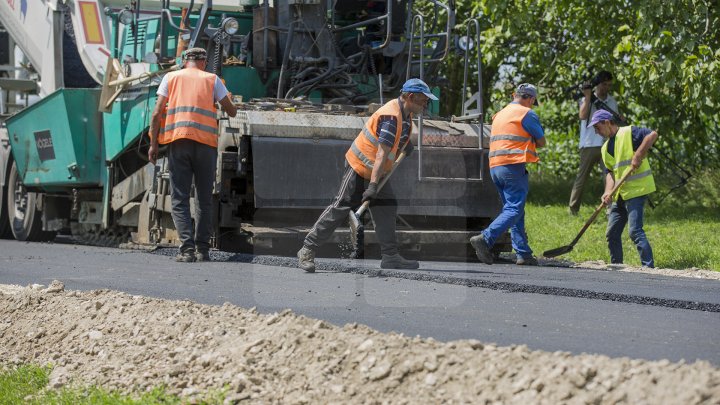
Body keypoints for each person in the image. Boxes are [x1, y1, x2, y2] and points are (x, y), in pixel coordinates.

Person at [296, 78, 438, 272]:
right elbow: (380, 154)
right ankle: (307, 249)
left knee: (387, 207)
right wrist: (372, 187)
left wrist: (404, 144)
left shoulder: (405, 115)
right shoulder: (391, 117)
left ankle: (390, 256)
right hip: (360, 167)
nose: (426, 104)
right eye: (423, 100)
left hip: (377, 172)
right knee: (340, 207)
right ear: (411, 97)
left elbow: (390, 147)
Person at [148, 47, 238, 262]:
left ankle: (187, 250)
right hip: (205, 146)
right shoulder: (212, 79)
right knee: (204, 198)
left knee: (179, 198)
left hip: (178, 143)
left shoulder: (170, 78)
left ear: (183, 61)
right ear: (204, 62)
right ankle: (203, 250)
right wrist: (224, 100)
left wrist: (153, 144)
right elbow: (232, 111)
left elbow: (156, 112)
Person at [469, 83, 546, 266]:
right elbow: (542, 141)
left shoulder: (499, 114)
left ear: (514, 95)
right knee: (514, 209)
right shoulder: (526, 114)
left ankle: (523, 253)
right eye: (533, 101)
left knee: (513, 210)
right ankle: (485, 238)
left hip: (495, 167)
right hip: (512, 166)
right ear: (531, 99)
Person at [588, 109, 657, 268]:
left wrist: (638, 155)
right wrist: (607, 192)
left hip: (636, 191)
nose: (596, 132)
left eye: (597, 128)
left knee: (635, 231)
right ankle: (616, 266)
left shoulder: (629, 132)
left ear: (607, 122)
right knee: (612, 233)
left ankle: (648, 267)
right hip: (619, 194)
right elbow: (610, 173)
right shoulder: (605, 148)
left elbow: (652, 135)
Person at [569, 70, 625, 215]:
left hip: (606, 143)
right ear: (598, 84)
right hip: (589, 143)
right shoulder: (588, 98)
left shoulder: (611, 101)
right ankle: (573, 209)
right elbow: (582, 115)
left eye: (609, 85)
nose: (606, 88)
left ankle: (609, 208)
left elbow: (613, 122)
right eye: (604, 84)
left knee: (609, 175)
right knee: (581, 178)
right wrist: (588, 97)